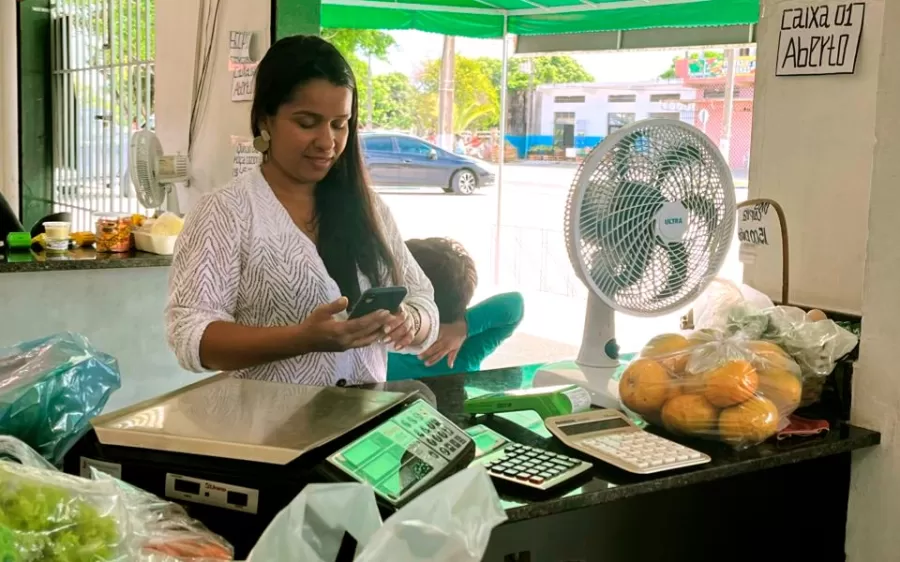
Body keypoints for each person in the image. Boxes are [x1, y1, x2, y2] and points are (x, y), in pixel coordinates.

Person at [166, 35, 439, 386]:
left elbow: (424, 301)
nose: (327, 142)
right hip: (269, 433)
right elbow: (190, 336)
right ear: (266, 119)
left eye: (340, 124)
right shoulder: (227, 211)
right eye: (307, 123)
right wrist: (302, 339)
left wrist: (411, 324)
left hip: (365, 427)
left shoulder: (367, 207)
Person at [387, 238, 524, 380]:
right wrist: (465, 326)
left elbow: (515, 303)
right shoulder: (469, 345)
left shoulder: (389, 333)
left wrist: (461, 328)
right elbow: (514, 304)